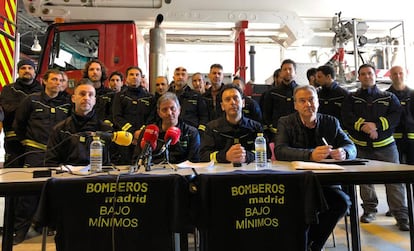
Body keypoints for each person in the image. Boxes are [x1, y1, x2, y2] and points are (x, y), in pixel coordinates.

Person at [274, 85, 355, 251]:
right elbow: (280, 150)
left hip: (326, 182)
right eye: (302, 101)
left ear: (318, 102)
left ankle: (312, 245)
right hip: (297, 183)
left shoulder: (331, 122)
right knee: (299, 208)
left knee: (342, 202)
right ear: (295, 105)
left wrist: (344, 152)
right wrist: (310, 155)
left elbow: (350, 145)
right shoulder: (285, 122)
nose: (307, 104)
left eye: (311, 99)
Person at [342, 63, 409, 231]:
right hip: (362, 147)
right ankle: (369, 210)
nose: (367, 76)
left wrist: (376, 126)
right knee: (365, 182)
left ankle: (401, 215)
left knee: (395, 182)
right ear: (359, 77)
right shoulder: (351, 98)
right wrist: (363, 126)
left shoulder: (389, 98)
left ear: (375, 75)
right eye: (363, 74)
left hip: (386, 146)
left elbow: (396, 116)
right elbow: (347, 116)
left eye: (369, 73)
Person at [11, 69, 72, 244]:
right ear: (44, 81)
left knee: (58, 191)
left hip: (58, 155)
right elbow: (19, 125)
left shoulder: (68, 103)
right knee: (28, 195)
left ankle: (54, 228)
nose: (57, 83)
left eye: (60, 80)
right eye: (53, 79)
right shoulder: (31, 100)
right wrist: (27, 143)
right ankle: (20, 231)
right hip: (35, 153)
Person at [45, 79, 114, 166]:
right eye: (82, 94)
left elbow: (113, 163)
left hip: (97, 177)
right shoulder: (60, 130)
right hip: (66, 177)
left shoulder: (106, 130)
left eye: (91, 95)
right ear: (73, 98)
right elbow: (50, 162)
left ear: (95, 101)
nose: (86, 98)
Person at [200, 84, 264, 164]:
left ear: (243, 103)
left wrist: (247, 156)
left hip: (249, 173)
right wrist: (225, 156)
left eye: (235, 98)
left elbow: (267, 153)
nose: (232, 102)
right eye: (227, 99)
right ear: (222, 106)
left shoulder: (256, 127)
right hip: (220, 174)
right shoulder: (212, 128)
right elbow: (202, 155)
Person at [133, 92, 200, 165]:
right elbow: (136, 159)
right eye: (164, 110)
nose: (169, 113)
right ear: (159, 113)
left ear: (179, 110)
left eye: (172, 108)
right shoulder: (148, 131)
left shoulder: (191, 133)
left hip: (182, 174)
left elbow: (194, 161)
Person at [0, 59, 43, 167]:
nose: (26, 70)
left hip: (36, 141)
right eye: (23, 68)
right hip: (13, 139)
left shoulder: (42, 91)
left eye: (30, 68)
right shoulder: (9, 89)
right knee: (12, 173)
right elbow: (8, 109)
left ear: (35, 71)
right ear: (18, 71)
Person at [112, 66, 155, 164]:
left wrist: (141, 132)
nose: (134, 77)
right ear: (126, 78)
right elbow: (117, 117)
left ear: (141, 78)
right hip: (125, 138)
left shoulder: (150, 97)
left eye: (137, 75)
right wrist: (132, 132)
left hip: (144, 138)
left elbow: (151, 117)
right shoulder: (119, 96)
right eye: (131, 74)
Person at [262, 59, 300, 139]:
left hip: (298, 132)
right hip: (277, 133)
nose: (287, 71)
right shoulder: (272, 93)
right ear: (281, 72)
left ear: (295, 72)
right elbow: (266, 113)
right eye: (285, 69)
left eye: (290, 69)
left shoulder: (301, 92)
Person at [387, 65, 414, 165]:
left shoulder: (413, 94)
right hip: (393, 142)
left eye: (400, 73)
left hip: (412, 140)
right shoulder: (386, 96)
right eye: (394, 74)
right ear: (390, 76)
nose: (398, 76)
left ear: (406, 75)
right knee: (396, 172)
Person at [168, 66, 208, 131]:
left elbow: (204, 117)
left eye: (183, 74)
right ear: (173, 77)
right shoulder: (167, 96)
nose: (180, 77)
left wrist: (200, 132)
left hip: (190, 134)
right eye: (177, 74)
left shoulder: (196, 96)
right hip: (171, 132)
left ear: (187, 78)